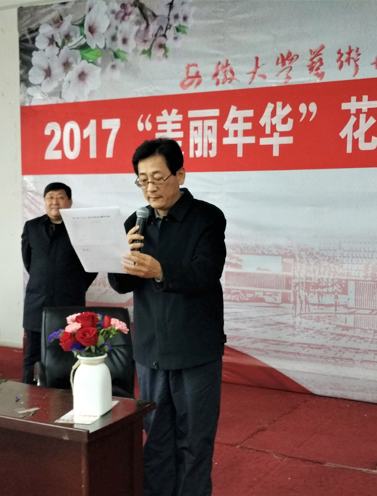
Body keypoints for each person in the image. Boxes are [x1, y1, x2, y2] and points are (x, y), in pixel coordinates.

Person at [109, 138, 227, 496]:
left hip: (195, 351)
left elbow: (207, 273)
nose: (150, 188)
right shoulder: (136, 221)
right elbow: (119, 284)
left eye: (158, 178)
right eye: (142, 180)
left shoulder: (207, 218)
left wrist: (160, 271)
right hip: (151, 351)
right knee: (156, 438)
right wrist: (118, 256)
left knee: (194, 440)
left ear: (180, 175)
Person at [21, 182, 97, 384]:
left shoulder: (81, 229)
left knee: (68, 351)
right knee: (33, 354)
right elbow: (28, 261)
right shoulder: (32, 227)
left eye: (60, 197)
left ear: (69, 202)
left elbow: (92, 265)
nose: (55, 202)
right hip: (37, 300)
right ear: (44, 201)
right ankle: (27, 391)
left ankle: (65, 392)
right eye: (50, 197)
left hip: (69, 301)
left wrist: (75, 285)